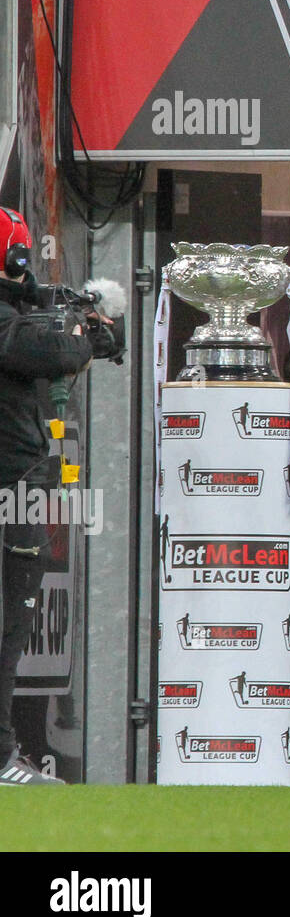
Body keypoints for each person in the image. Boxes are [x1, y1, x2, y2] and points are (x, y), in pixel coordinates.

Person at [0, 208, 97, 786]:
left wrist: (85, 325)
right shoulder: (12, 322)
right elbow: (58, 351)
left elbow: (82, 340)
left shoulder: (20, 310)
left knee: (12, 626)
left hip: (18, 489)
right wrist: (80, 332)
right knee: (7, 625)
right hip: (10, 489)